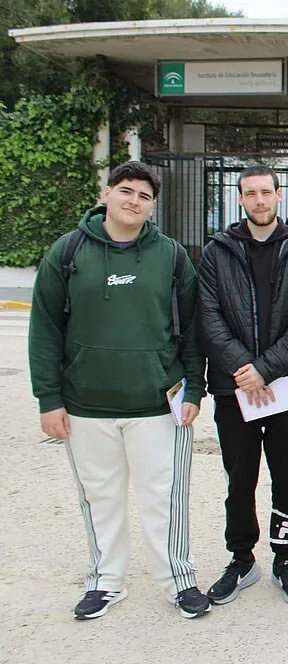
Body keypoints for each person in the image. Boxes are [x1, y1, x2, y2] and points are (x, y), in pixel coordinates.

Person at [28, 161, 211, 619]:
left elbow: (192, 331)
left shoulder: (171, 256)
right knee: (100, 497)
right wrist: (48, 399)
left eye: (144, 196)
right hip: (86, 405)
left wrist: (193, 392)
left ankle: (178, 579)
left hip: (157, 404)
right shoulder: (67, 253)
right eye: (125, 191)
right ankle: (105, 581)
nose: (133, 201)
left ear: (153, 206)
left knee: (163, 496)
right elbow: (45, 329)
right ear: (107, 193)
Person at [198, 165, 288, 606]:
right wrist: (243, 369)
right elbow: (209, 317)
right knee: (240, 478)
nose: (259, 200)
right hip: (234, 390)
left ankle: (284, 557)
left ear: (278, 197)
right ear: (240, 199)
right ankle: (241, 559)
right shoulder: (217, 251)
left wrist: (266, 370)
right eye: (250, 193)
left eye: (266, 192)